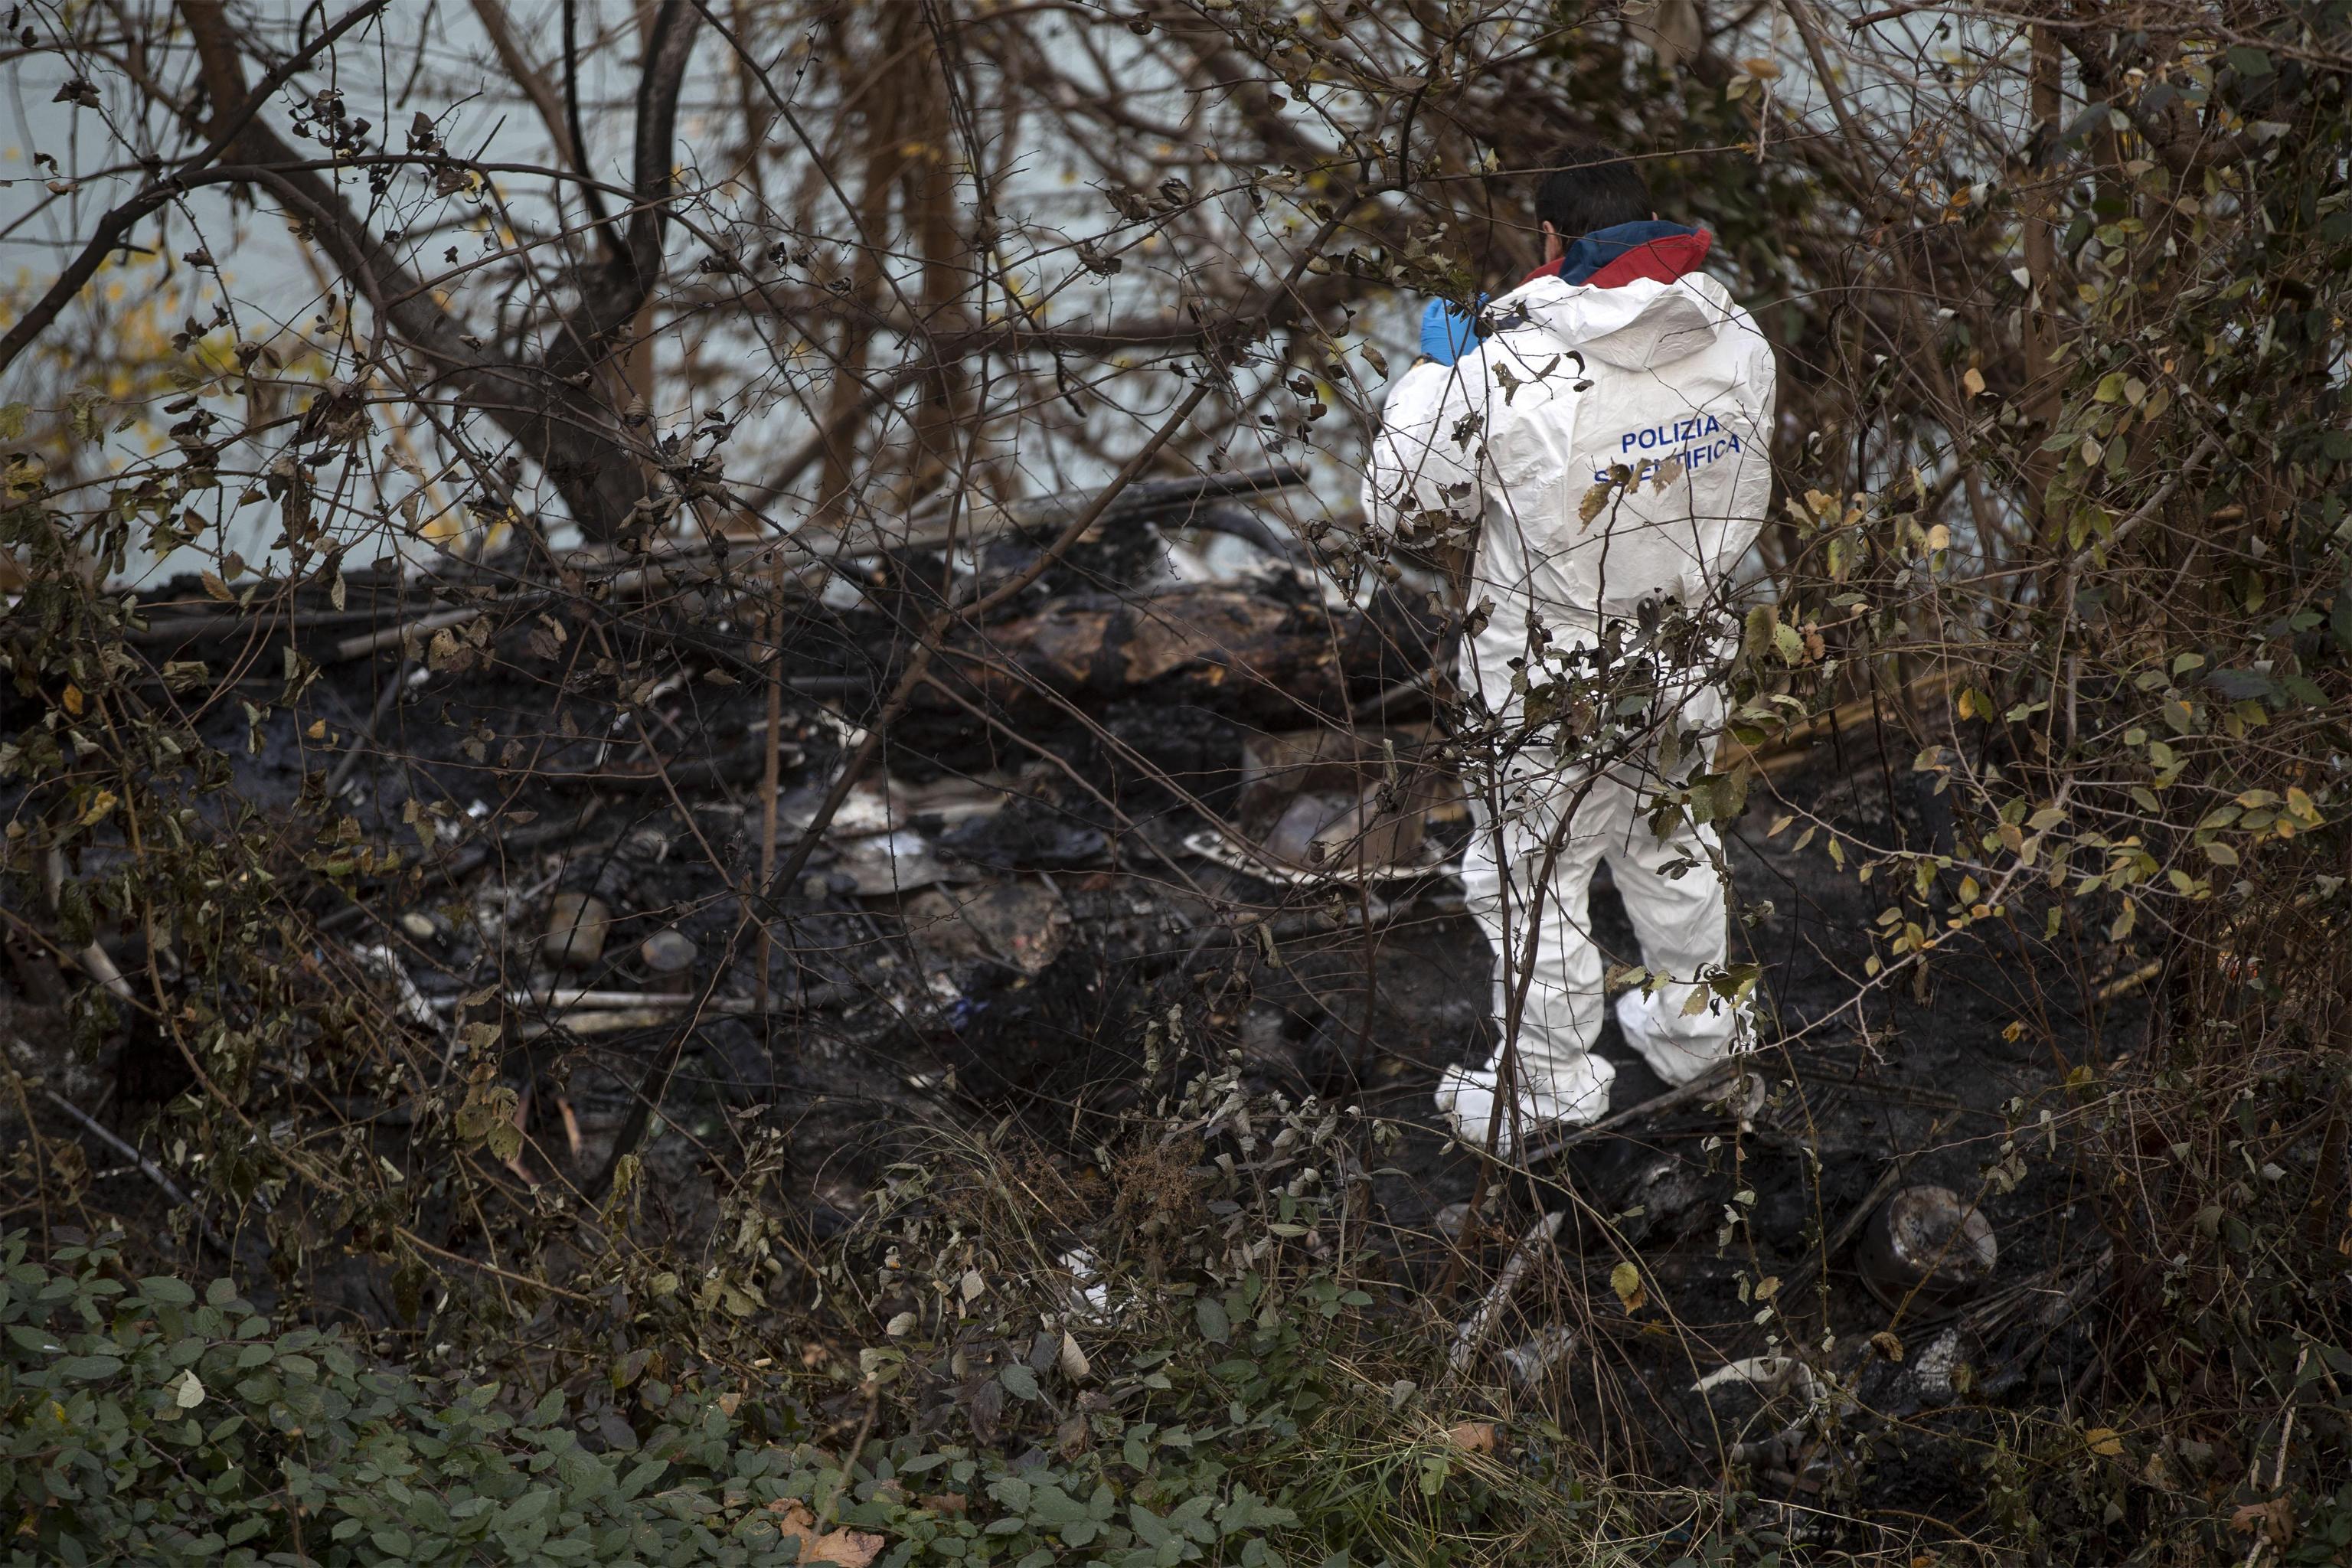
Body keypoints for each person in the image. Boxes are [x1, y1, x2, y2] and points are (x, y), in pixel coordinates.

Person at [1360, 138, 1777, 1155]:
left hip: (1548, 669)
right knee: (1669, 835)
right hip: (1687, 644)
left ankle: (1547, 1085)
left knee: (1530, 873)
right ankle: (1702, 1039)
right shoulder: (1734, 335)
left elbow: (1400, 510)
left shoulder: (1506, 362)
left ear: (1549, 237)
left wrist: (1431, 380)